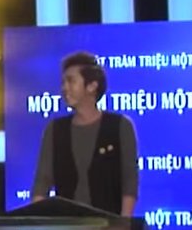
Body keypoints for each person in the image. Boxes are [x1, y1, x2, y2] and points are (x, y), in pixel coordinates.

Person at [31, 51, 139, 216]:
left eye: (71, 81)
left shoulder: (119, 126)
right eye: (63, 82)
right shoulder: (55, 130)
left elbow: (129, 181)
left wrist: (123, 225)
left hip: (109, 225)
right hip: (67, 227)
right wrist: (36, 221)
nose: (64, 88)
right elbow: (42, 181)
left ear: (91, 86)